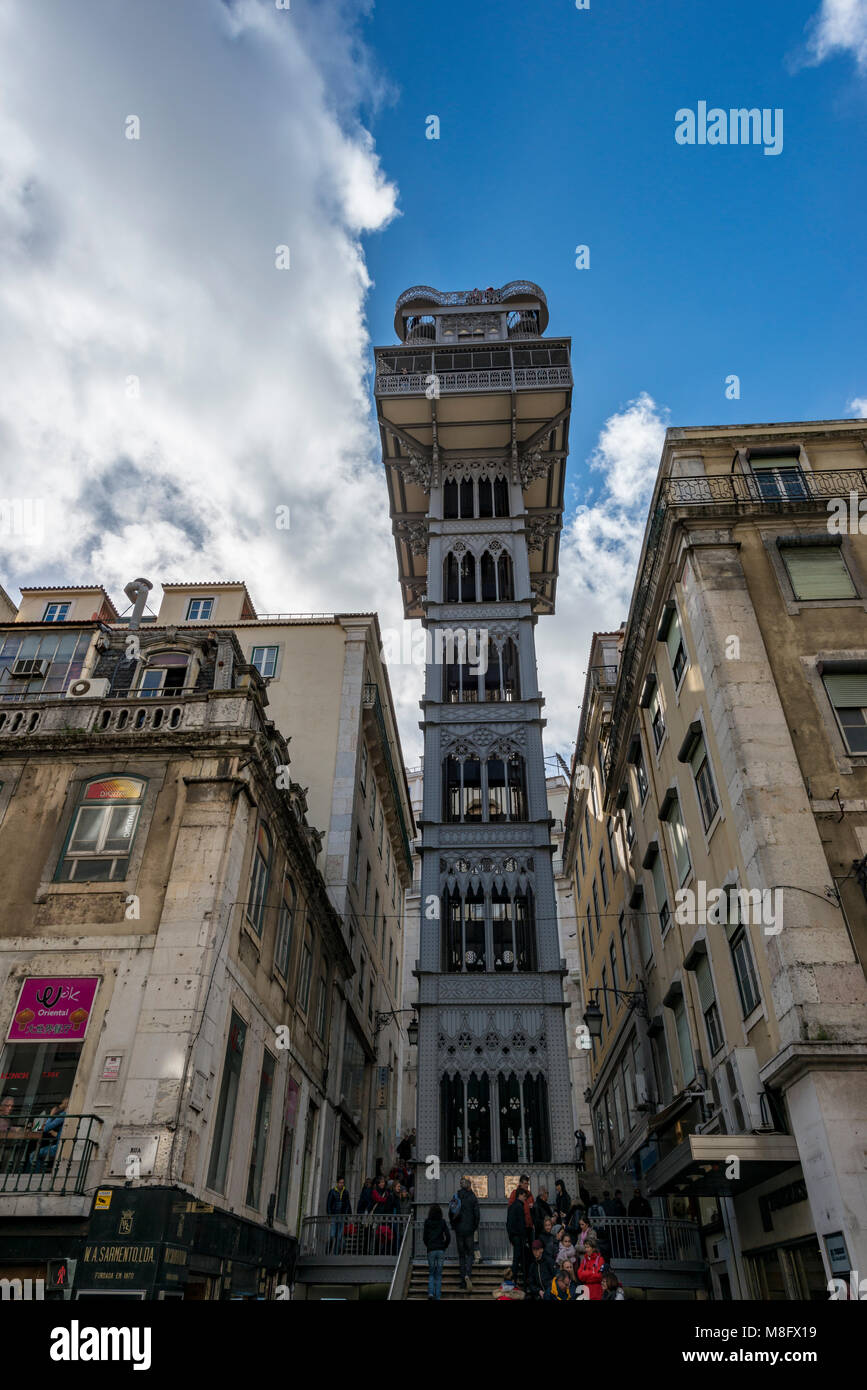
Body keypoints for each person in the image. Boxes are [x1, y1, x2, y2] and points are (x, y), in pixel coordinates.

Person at [449, 1176, 480, 1291]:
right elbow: (477, 1214)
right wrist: (474, 1227)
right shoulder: (472, 1197)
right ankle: (468, 1274)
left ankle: (462, 1281)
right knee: (470, 1254)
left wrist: (454, 1225)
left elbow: (451, 1212)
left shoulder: (456, 1196)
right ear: (469, 1186)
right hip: (469, 1230)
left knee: (461, 1255)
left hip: (459, 1230)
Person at [506, 1175, 534, 1286]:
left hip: (527, 1228)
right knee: (518, 1256)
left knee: (525, 1255)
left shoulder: (529, 1195)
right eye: (526, 1183)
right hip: (520, 1231)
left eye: (528, 1184)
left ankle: (525, 1277)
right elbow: (512, 1217)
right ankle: (516, 1279)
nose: (527, 1185)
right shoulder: (516, 1197)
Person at [422, 1203, 450, 1300]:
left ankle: (431, 1293)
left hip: (431, 1249)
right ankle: (437, 1296)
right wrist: (444, 1246)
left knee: (431, 1273)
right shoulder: (442, 1222)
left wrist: (428, 1245)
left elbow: (424, 1237)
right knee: (438, 1274)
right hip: (440, 1249)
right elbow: (448, 1236)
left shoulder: (427, 1222)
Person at [325, 1176, 351, 1253]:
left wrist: (346, 1214)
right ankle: (328, 1251)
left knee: (339, 1237)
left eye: (343, 1183)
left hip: (342, 1216)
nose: (341, 1184)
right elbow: (328, 1204)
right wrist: (329, 1214)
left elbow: (347, 1204)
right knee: (332, 1235)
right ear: (337, 1183)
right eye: (340, 1182)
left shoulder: (346, 1192)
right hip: (334, 1216)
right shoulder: (332, 1191)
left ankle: (336, 1253)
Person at [576, 1237, 606, 1301]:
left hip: (596, 1291)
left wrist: (585, 1274)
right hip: (586, 1290)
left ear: (593, 1248)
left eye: (588, 1247)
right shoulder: (584, 1260)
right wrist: (592, 1273)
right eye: (585, 1247)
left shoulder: (600, 1259)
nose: (586, 1249)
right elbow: (580, 1276)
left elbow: (599, 1276)